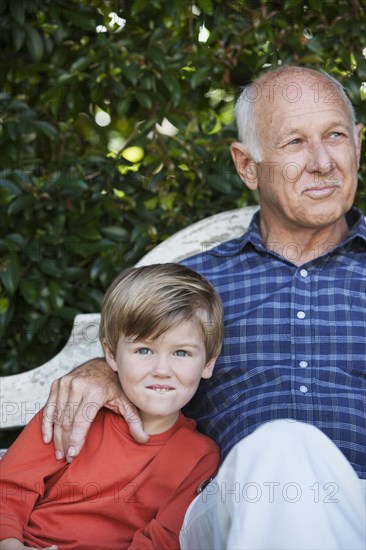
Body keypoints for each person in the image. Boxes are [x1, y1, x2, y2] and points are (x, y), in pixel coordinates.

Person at [41, 66, 365, 549]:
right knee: (282, 447)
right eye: (294, 142)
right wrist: (105, 370)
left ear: (358, 143)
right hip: (230, 509)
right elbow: (145, 357)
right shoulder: (195, 286)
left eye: (335, 135)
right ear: (246, 165)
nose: (322, 161)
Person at [0, 264, 223, 550]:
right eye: (144, 350)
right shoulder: (75, 412)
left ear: (207, 363)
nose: (162, 370)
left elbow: (162, 540)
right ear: (111, 354)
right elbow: (9, 488)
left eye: (181, 352)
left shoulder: (199, 456)